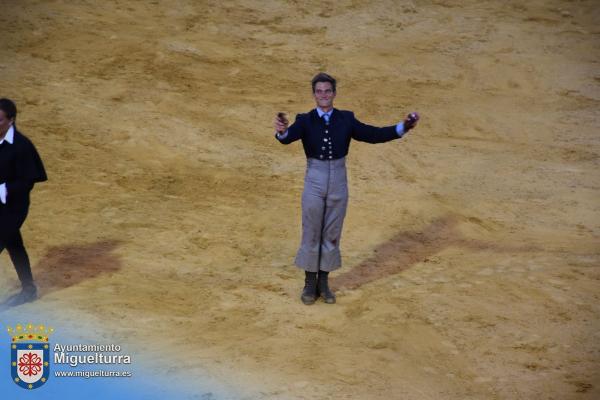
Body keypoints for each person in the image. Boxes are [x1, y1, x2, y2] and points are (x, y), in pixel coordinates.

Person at [274, 73, 419, 305]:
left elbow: (373, 134)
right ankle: (310, 285)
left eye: (327, 91)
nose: (323, 95)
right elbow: (287, 137)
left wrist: (403, 127)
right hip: (314, 179)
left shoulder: (346, 119)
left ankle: (324, 283)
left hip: (339, 179)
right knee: (311, 230)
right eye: (319, 91)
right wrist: (281, 130)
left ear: (334, 94)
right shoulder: (305, 120)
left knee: (332, 232)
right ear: (314, 95)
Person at [0, 98, 47, 307]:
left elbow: (27, 182)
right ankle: (29, 289)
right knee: (14, 244)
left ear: (11, 120)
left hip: (13, 208)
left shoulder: (21, 146)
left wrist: (2, 189)